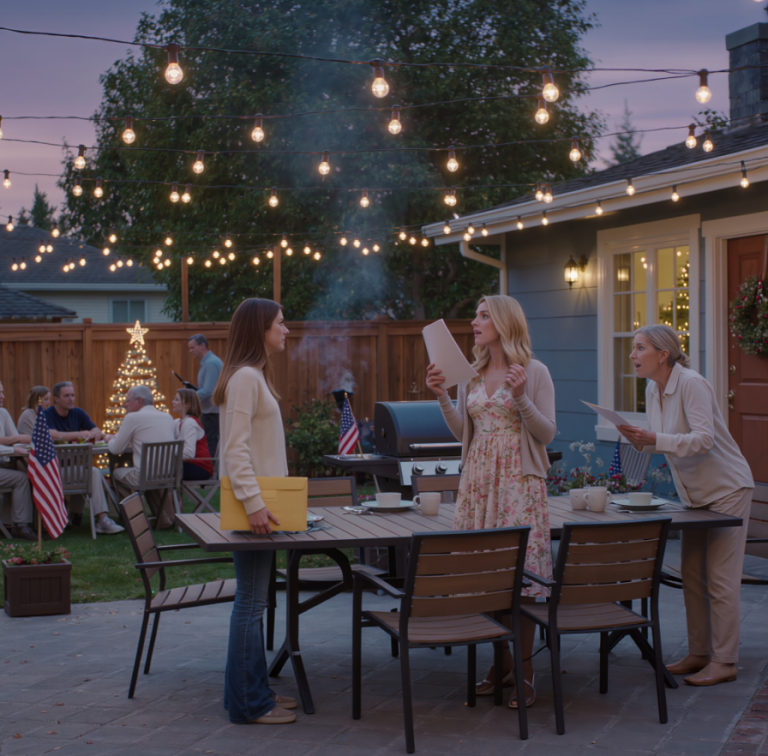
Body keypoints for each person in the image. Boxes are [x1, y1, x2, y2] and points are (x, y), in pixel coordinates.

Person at [426, 294, 556, 709]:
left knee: (519, 580)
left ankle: (524, 671)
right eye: (476, 315)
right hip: (480, 483)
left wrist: (520, 395)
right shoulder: (472, 375)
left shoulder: (534, 372)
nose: (475, 323)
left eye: (483, 316)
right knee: (487, 577)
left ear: (503, 321)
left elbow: (547, 433)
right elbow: (466, 430)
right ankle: (500, 665)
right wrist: (443, 396)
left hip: (518, 482)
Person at [617, 324, 754, 687]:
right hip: (694, 496)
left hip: (727, 488)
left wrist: (654, 438)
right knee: (692, 574)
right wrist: (635, 438)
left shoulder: (691, 383)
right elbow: (660, 443)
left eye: (639, 348)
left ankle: (725, 661)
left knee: (721, 580)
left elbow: (703, 439)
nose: (632, 355)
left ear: (663, 354)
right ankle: (699, 653)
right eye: (633, 348)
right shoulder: (652, 388)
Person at [213, 298, 296, 725]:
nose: (287, 330)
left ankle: (248, 692)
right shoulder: (246, 378)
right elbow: (235, 448)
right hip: (255, 510)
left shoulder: (253, 377)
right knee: (250, 604)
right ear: (261, 328)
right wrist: (255, 503)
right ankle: (250, 704)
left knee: (253, 601)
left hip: (262, 506)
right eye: (281, 323)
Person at [43, 381, 123, 534]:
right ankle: (96, 518)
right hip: (52, 471)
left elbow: (96, 430)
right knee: (93, 472)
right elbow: (51, 434)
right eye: (66, 396)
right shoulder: (47, 415)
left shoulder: (78, 412)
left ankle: (102, 520)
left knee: (93, 472)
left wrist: (95, 433)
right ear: (56, 399)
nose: (71, 399)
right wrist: (79, 434)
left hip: (74, 468)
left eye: (72, 395)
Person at [106, 384, 176, 527]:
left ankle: (134, 519)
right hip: (167, 475)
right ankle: (163, 519)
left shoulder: (133, 418)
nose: (125, 405)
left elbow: (116, 449)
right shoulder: (168, 417)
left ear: (138, 401)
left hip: (144, 475)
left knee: (117, 473)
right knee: (147, 474)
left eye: (127, 400)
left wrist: (109, 439)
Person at [0, 381, 36, 540]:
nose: (2, 396)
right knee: (20, 479)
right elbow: (15, 445)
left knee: (20, 472)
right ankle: (21, 526)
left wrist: (15, 443)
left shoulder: (3, 413)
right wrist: (12, 449)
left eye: (2, 392)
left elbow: (16, 439)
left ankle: (9, 524)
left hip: (4, 464)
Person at [188, 334, 223, 458]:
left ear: (202, 346)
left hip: (213, 412)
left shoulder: (210, 363)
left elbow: (208, 391)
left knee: (211, 443)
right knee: (210, 441)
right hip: (211, 411)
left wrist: (189, 397)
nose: (190, 351)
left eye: (192, 348)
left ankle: (212, 474)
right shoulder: (208, 362)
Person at [171, 388, 213, 481]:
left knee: (158, 471)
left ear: (187, 404)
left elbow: (189, 453)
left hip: (200, 467)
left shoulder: (190, 423)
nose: (172, 402)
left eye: (176, 399)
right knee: (157, 470)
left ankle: (168, 495)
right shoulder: (178, 422)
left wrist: (168, 455)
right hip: (188, 465)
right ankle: (171, 495)